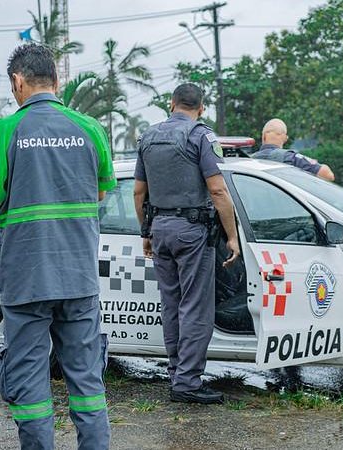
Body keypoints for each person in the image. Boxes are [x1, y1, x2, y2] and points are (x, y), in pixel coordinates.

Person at [0, 43, 116, 450]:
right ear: (57, 79)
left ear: (17, 82)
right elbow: (101, 191)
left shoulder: (7, 130)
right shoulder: (90, 128)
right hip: (79, 276)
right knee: (87, 380)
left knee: (29, 382)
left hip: (28, 278)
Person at [133, 83, 240, 405]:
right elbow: (218, 191)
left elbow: (139, 193)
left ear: (171, 103)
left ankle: (178, 374)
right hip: (192, 231)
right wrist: (232, 236)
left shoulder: (148, 137)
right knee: (195, 307)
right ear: (202, 108)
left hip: (161, 229)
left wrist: (146, 232)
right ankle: (188, 383)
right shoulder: (201, 136)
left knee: (172, 305)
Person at [252, 118, 335, 181]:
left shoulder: (248, 161)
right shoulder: (291, 158)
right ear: (285, 138)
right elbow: (327, 174)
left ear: (263, 137)